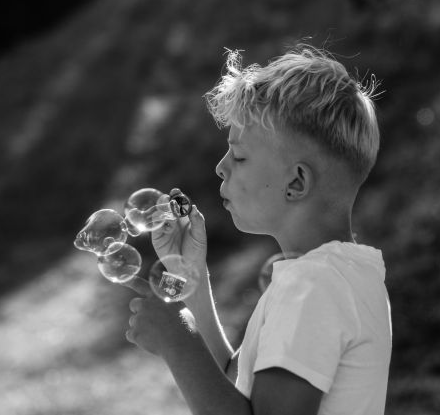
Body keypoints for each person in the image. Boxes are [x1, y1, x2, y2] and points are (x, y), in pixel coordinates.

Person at [124, 44, 392, 415]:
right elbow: (238, 385)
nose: (221, 166)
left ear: (296, 182)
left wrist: (179, 342)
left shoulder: (312, 287)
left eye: (240, 156)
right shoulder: (341, 276)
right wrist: (192, 279)